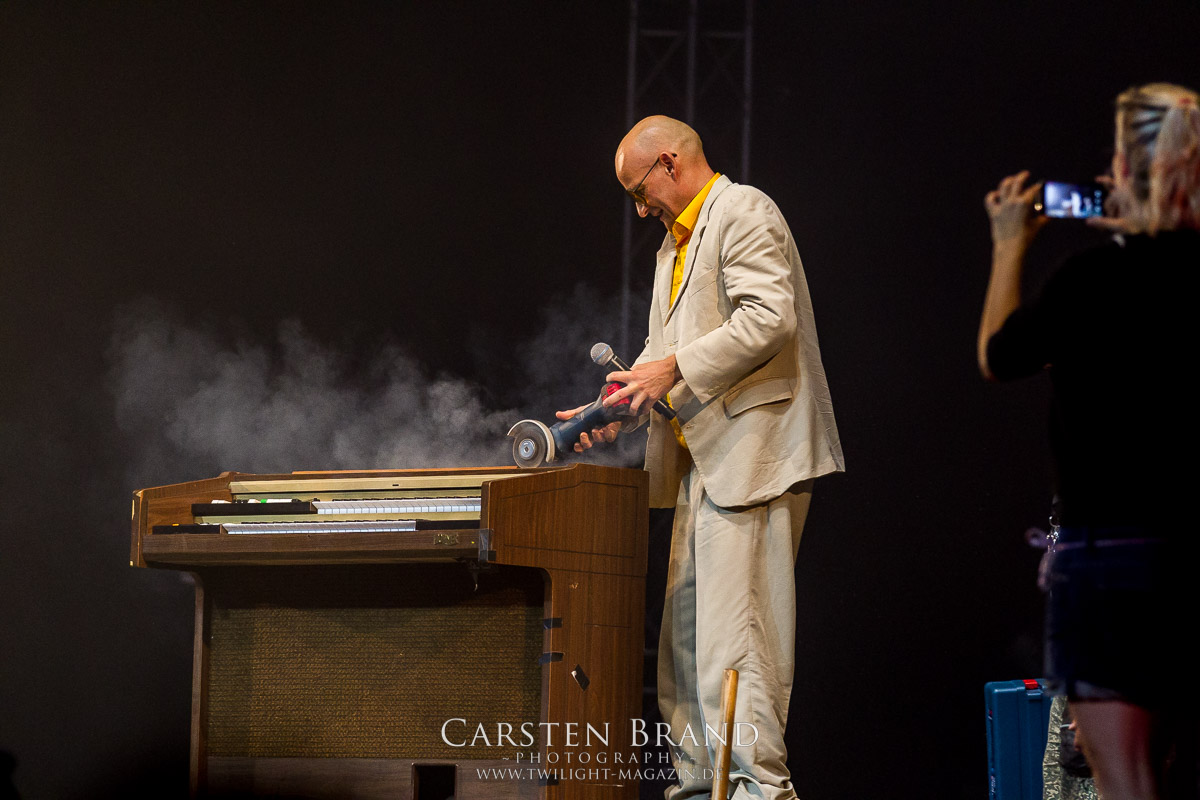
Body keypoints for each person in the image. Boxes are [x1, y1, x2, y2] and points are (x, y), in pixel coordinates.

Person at [560, 115, 844, 800]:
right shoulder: (673, 248)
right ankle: (697, 790)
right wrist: (615, 409)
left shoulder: (743, 209)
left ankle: (754, 793)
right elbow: (666, 365)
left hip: (752, 465)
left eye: (640, 191)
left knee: (737, 656)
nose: (639, 210)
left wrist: (673, 367)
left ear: (669, 162)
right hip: (702, 472)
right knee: (685, 665)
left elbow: (769, 316)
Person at [977, 83, 1200, 800]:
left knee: (1125, 780)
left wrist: (1010, 243)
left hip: (1107, 557)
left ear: (1129, 171)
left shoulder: (1090, 279)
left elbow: (1000, 355)